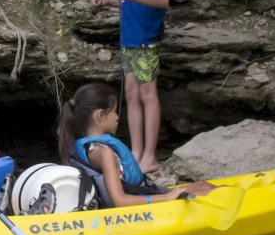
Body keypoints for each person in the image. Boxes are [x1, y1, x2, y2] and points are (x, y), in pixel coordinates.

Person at [92, 0, 169, 174]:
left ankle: (150, 156)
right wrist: (107, 2)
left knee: (148, 95)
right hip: (130, 40)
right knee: (132, 94)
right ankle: (136, 152)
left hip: (146, 39)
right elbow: (130, 0)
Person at [57, 81, 213, 207]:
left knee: (202, 184)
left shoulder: (84, 147)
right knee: (205, 188)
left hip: (141, 191)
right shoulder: (104, 152)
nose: (117, 117)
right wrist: (166, 198)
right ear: (100, 115)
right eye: (114, 111)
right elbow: (120, 201)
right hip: (138, 200)